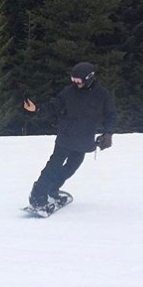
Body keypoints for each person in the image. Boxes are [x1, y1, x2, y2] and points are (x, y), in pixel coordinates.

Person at [23, 61, 116, 213]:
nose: (75, 83)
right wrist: (37, 109)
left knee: (72, 167)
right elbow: (53, 107)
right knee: (54, 165)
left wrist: (108, 133)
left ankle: (52, 189)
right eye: (73, 79)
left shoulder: (102, 95)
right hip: (66, 137)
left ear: (89, 78)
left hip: (84, 139)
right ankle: (37, 196)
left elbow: (110, 115)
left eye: (78, 80)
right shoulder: (68, 92)